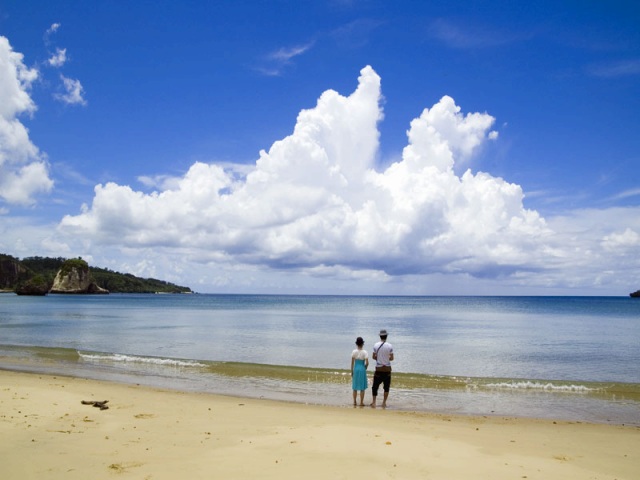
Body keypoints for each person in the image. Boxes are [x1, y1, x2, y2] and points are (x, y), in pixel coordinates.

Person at [370, 329, 394, 408]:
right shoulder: (390, 346)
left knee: (375, 386)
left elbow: (373, 357)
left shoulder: (376, 345)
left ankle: (374, 402)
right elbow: (392, 358)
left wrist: (378, 358)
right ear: (386, 336)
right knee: (386, 387)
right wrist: (387, 358)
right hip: (387, 368)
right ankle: (384, 403)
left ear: (380, 336)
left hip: (379, 368)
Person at [350, 337, 369, 406]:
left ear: (356, 344)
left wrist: (351, 371)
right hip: (362, 368)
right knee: (362, 387)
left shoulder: (354, 351)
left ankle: (354, 401)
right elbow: (367, 363)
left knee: (355, 387)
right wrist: (365, 367)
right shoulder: (365, 352)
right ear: (362, 344)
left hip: (356, 368)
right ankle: (361, 402)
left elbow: (352, 363)